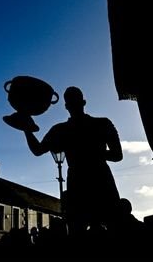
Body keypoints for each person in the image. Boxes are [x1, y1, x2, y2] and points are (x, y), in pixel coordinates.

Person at [17, 86, 123, 238]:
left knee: (80, 231)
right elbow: (117, 155)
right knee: (111, 228)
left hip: (82, 182)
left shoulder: (61, 130)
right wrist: (26, 127)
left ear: (66, 106)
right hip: (98, 179)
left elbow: (38, 150)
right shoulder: (102, 124)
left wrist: (26, 128)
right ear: (83, 102)